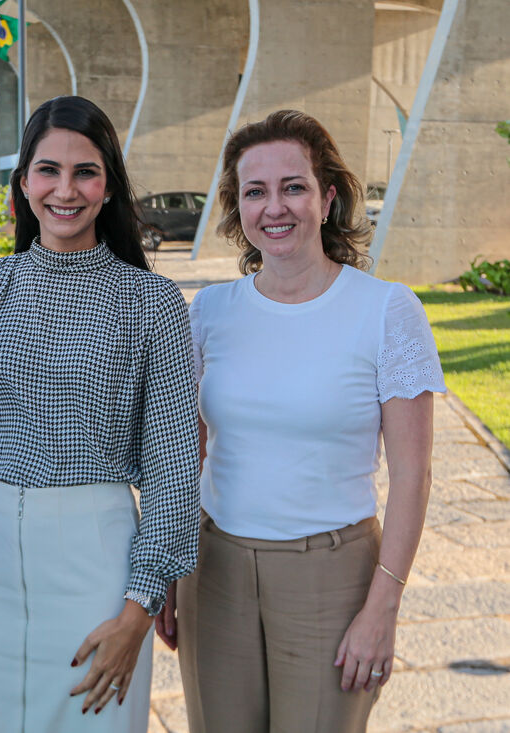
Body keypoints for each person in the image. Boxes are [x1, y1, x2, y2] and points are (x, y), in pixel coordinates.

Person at [156, 109, 445, 732]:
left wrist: (383, 606)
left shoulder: (386, 311)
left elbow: (413, 477)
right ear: (237, 206)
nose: (274, 207)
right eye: (255, 191)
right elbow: (188, 454)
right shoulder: (210, 312)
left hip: (332, 578)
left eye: (293, 186)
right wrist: (170, 565)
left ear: (328, 197)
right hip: (214, 569)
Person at [0, 95, 200, 733]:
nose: (65, 190)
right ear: (23, 183)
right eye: (48, 170)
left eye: (85, 172)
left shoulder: (152, 302)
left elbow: (174, 464)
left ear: (109, 187)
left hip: (97, 567)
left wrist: (139, 608)